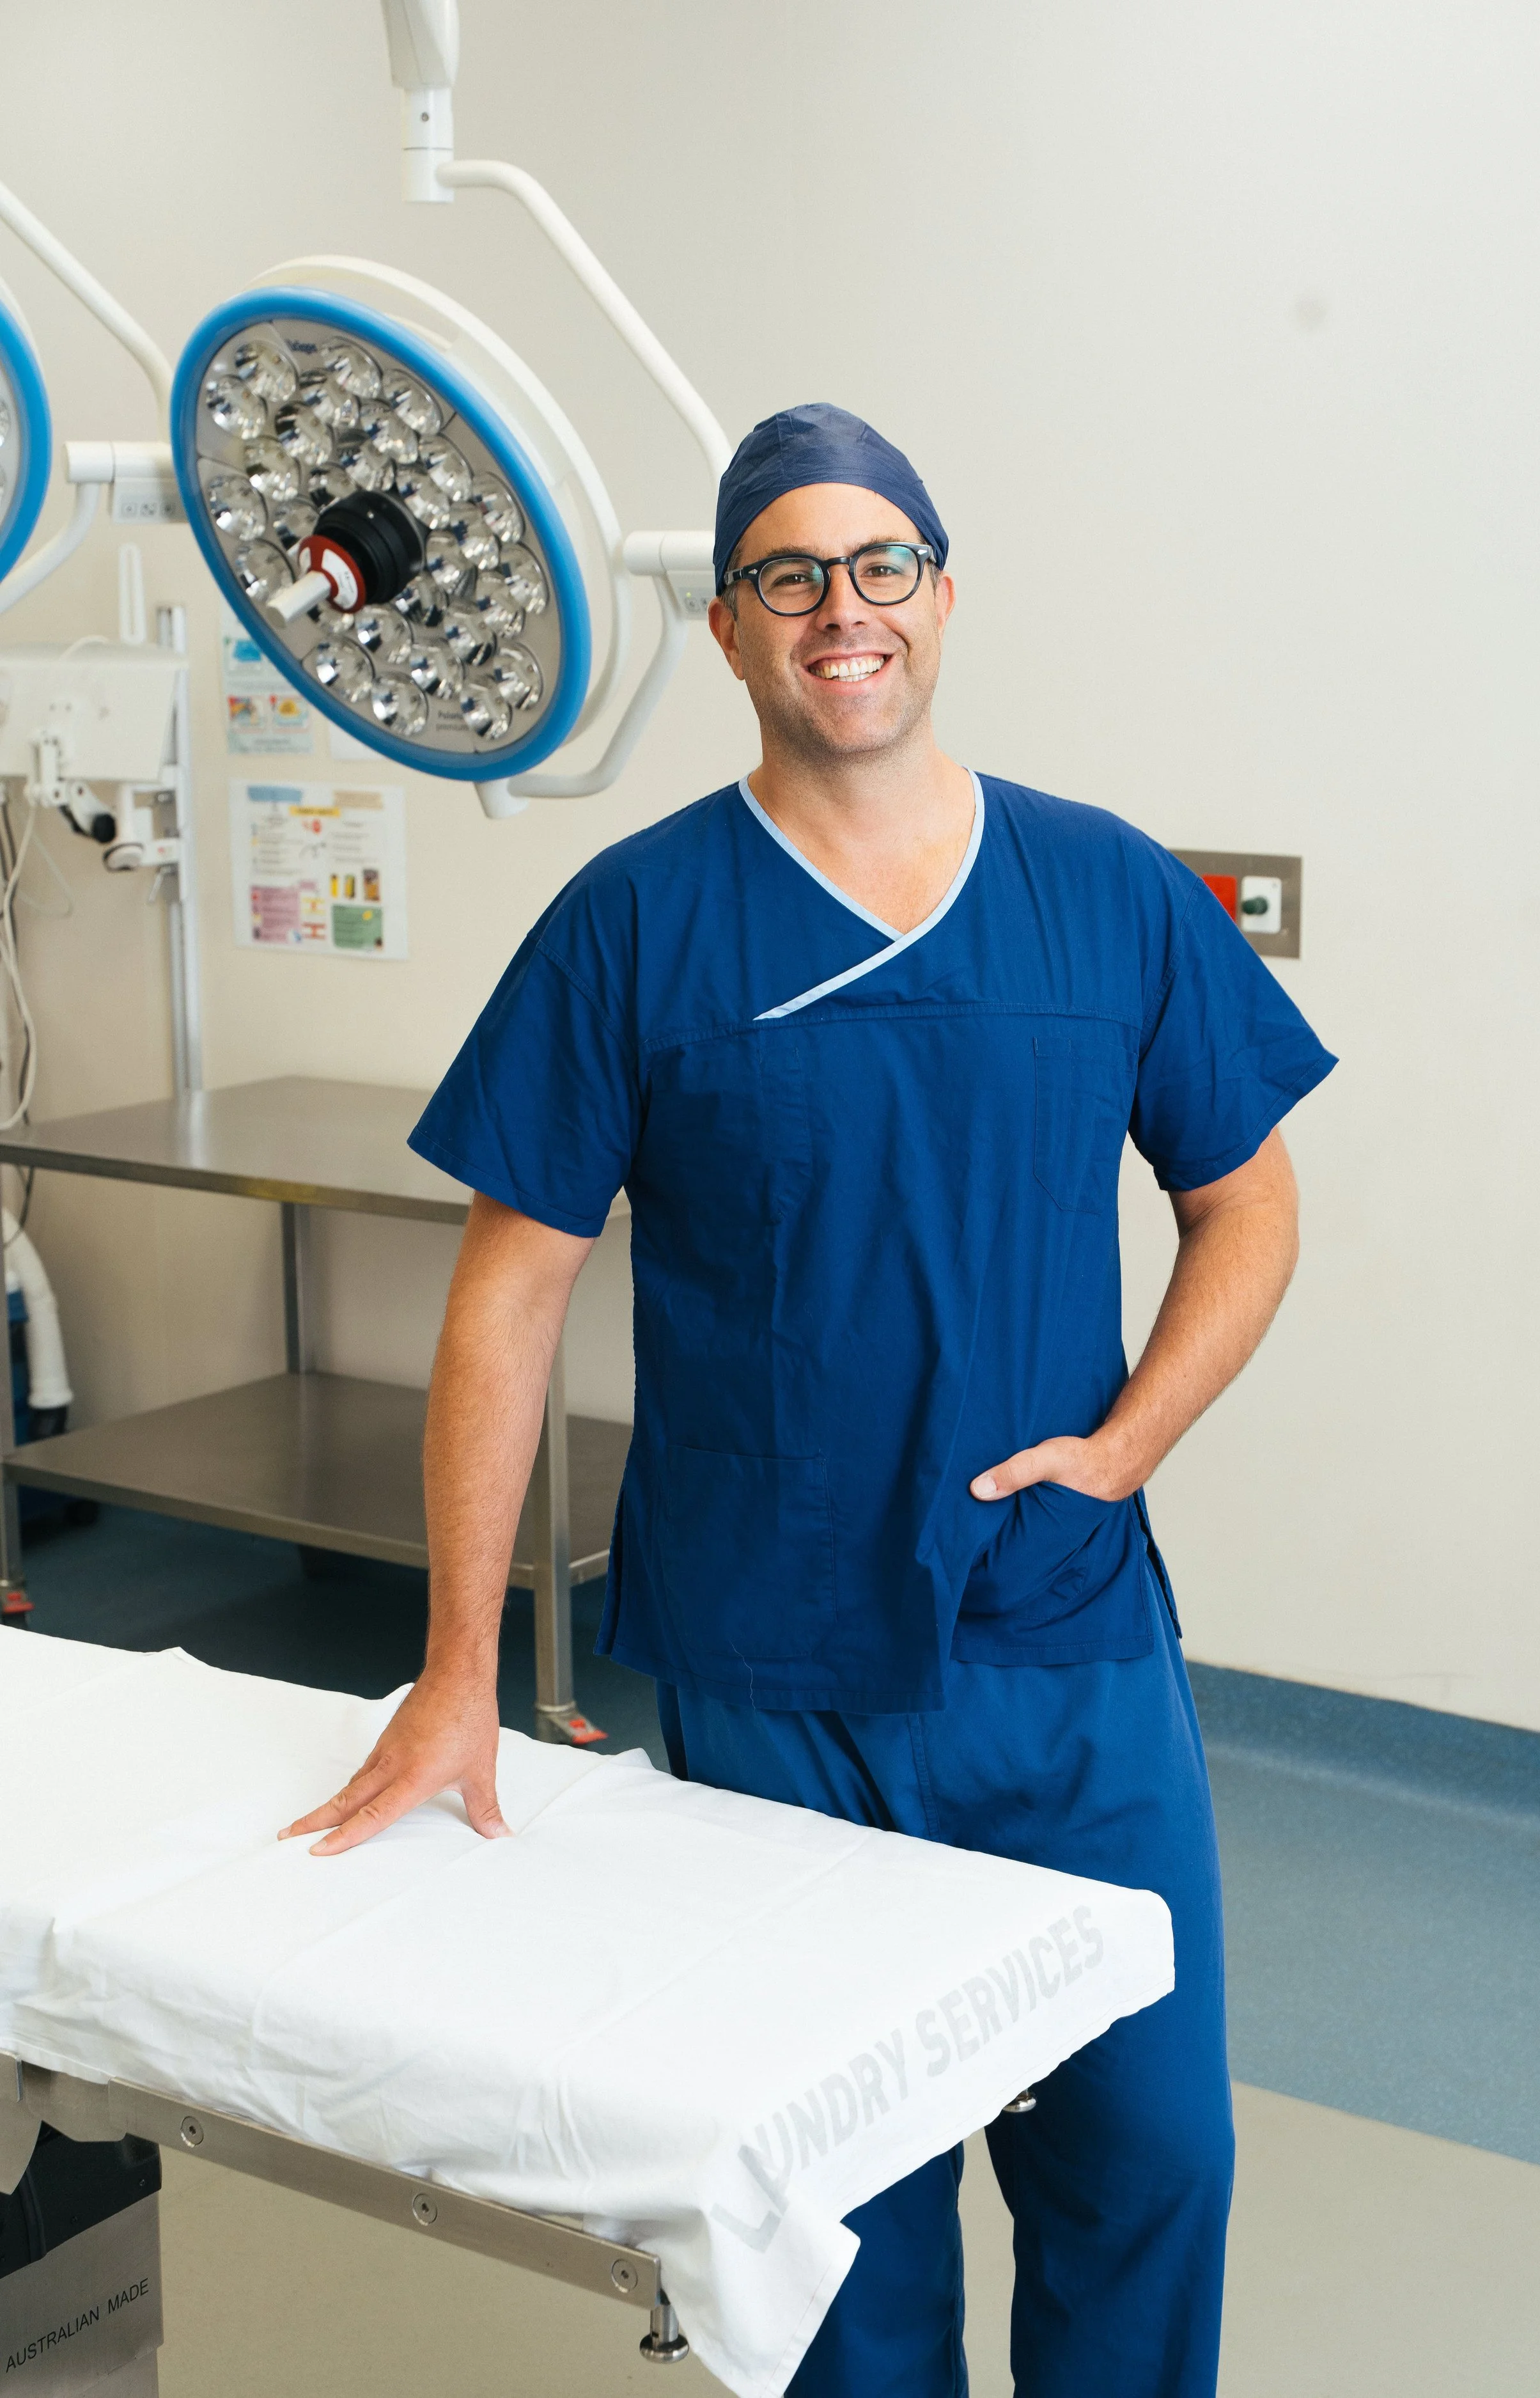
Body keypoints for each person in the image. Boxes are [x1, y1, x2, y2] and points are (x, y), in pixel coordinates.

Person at [286, 402, 1335, 2397]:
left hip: (1062, 1646)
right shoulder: (634, 920)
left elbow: (1247, 1196)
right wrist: (451, 1664)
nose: (839, 610)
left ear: (939, 597)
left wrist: (1130, 1443)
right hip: (774, 1670)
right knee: (840, 2210)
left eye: (878, 567)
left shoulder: (1102, 890)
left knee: (1147, 2159)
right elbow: (507, 1301)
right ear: (730, 629)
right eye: (786, 575)